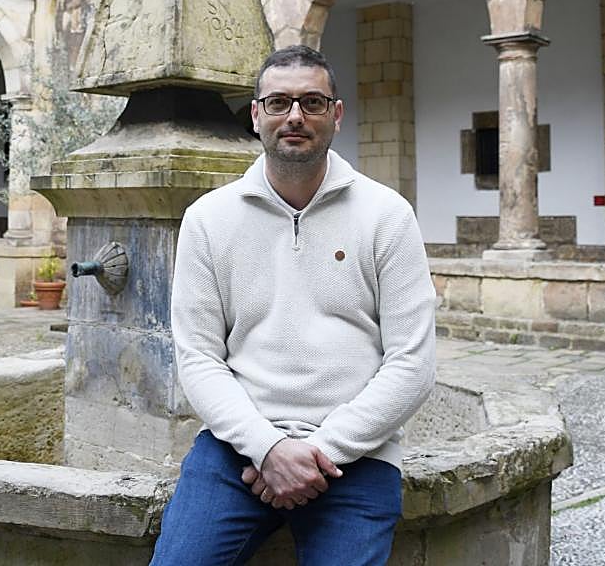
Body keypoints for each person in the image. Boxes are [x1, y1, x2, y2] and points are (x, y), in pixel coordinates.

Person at [152, 45, 437, 566]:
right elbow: (197, 357)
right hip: (236, 451)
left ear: (337, 114)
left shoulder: (387, 215)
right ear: (256, 115)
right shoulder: (207, 219)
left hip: (359, 455)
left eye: (312, 102)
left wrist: (322, 452)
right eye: (279, 103)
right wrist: (267, 448)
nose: (296, 117)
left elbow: (412, 363)